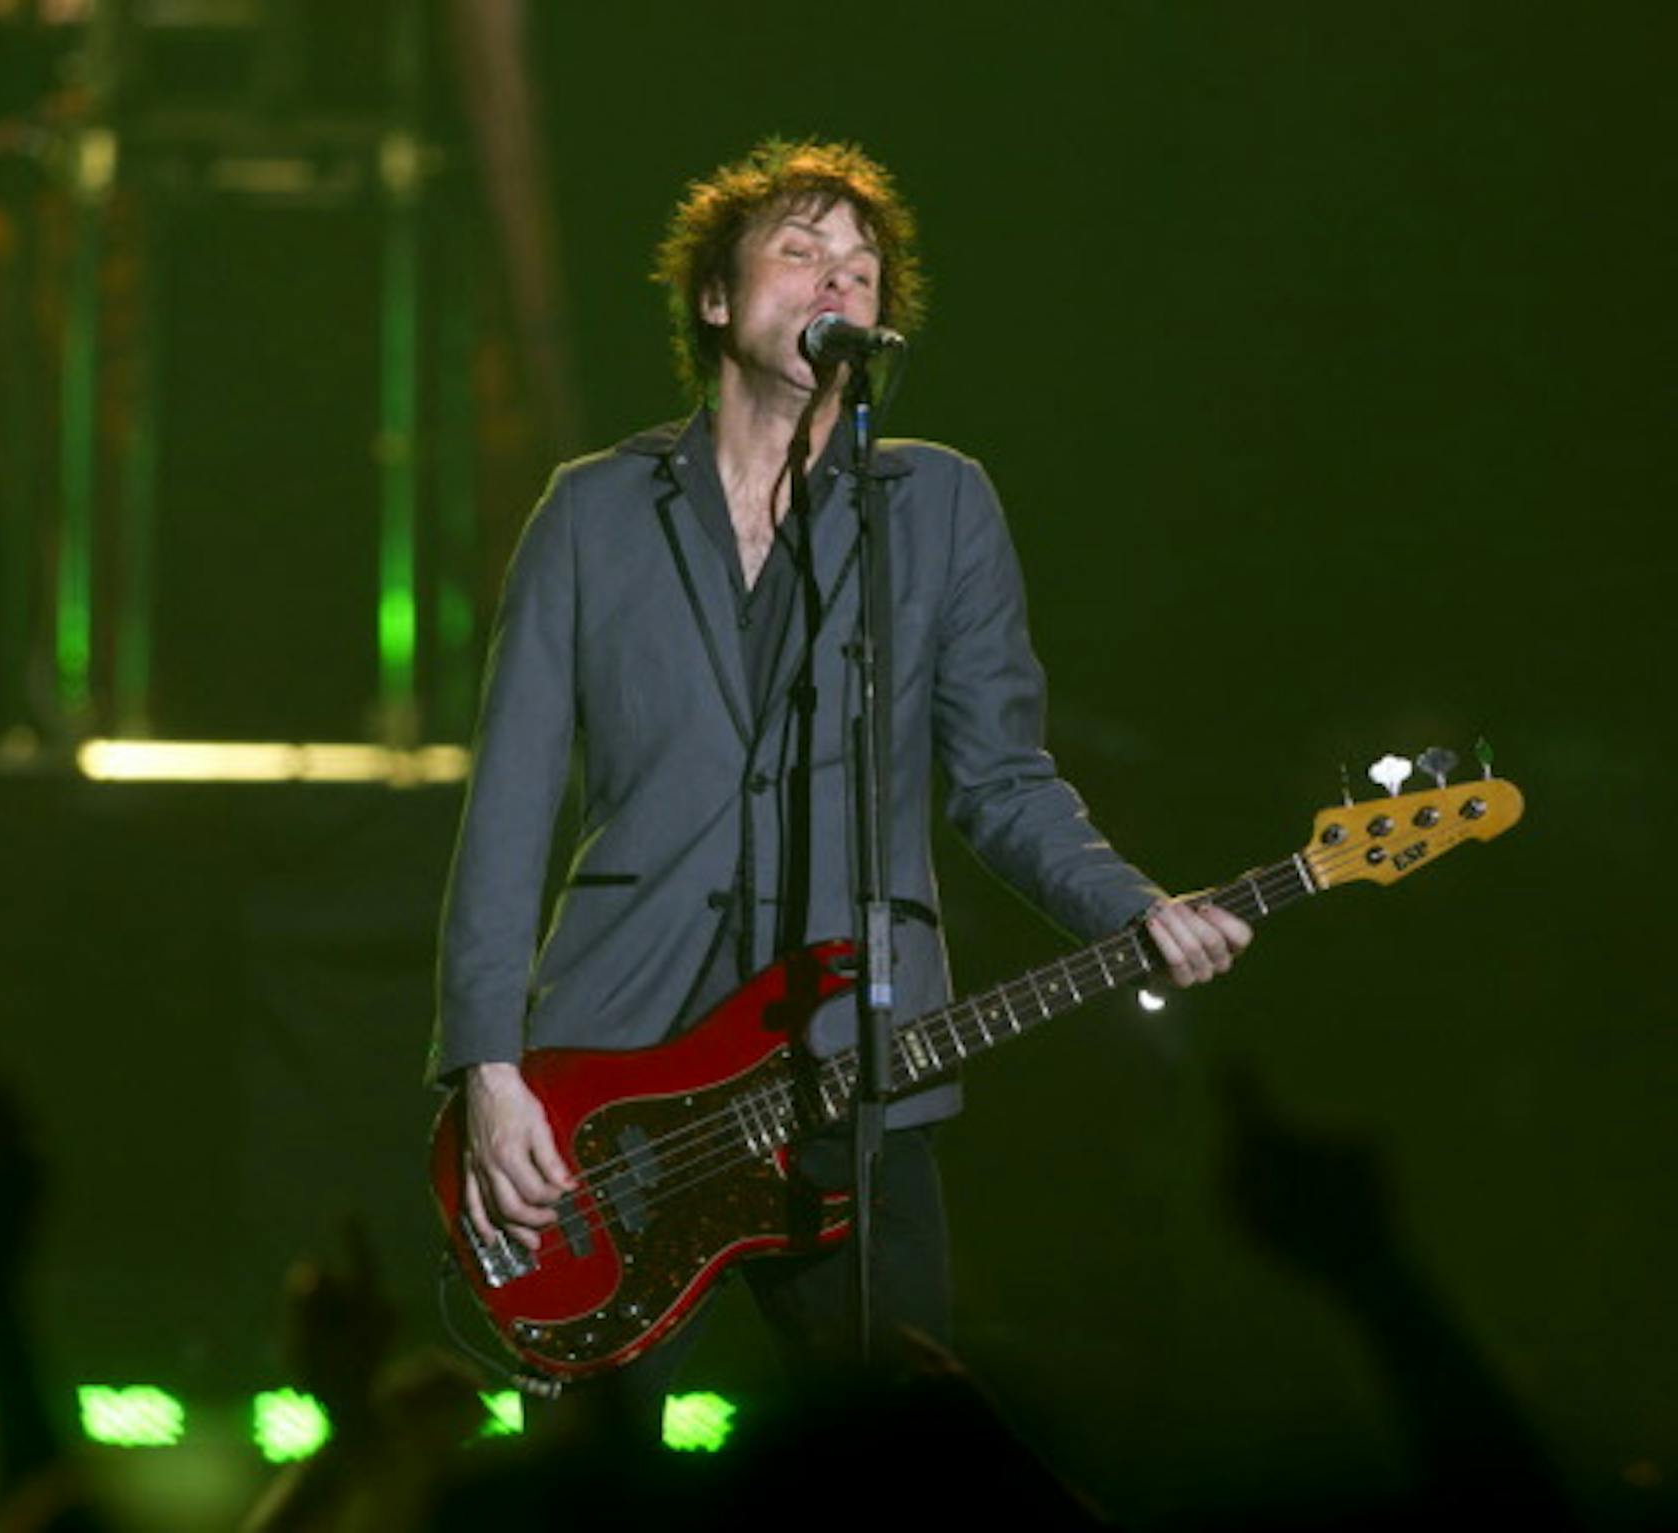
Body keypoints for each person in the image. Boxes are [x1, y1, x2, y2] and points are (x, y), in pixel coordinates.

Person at [431, 137, 1250, 1421]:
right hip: (614, 1066)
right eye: (802, 251)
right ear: (715, 298)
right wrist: (487, 1068)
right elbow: (510, 807)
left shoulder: (938, 504)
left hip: (854, 1061)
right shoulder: (590, 511)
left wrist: (1131, 907)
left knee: (898, 1451)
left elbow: (1001, 778)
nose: (839, 280)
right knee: (585, 1474)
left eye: (863, 269)